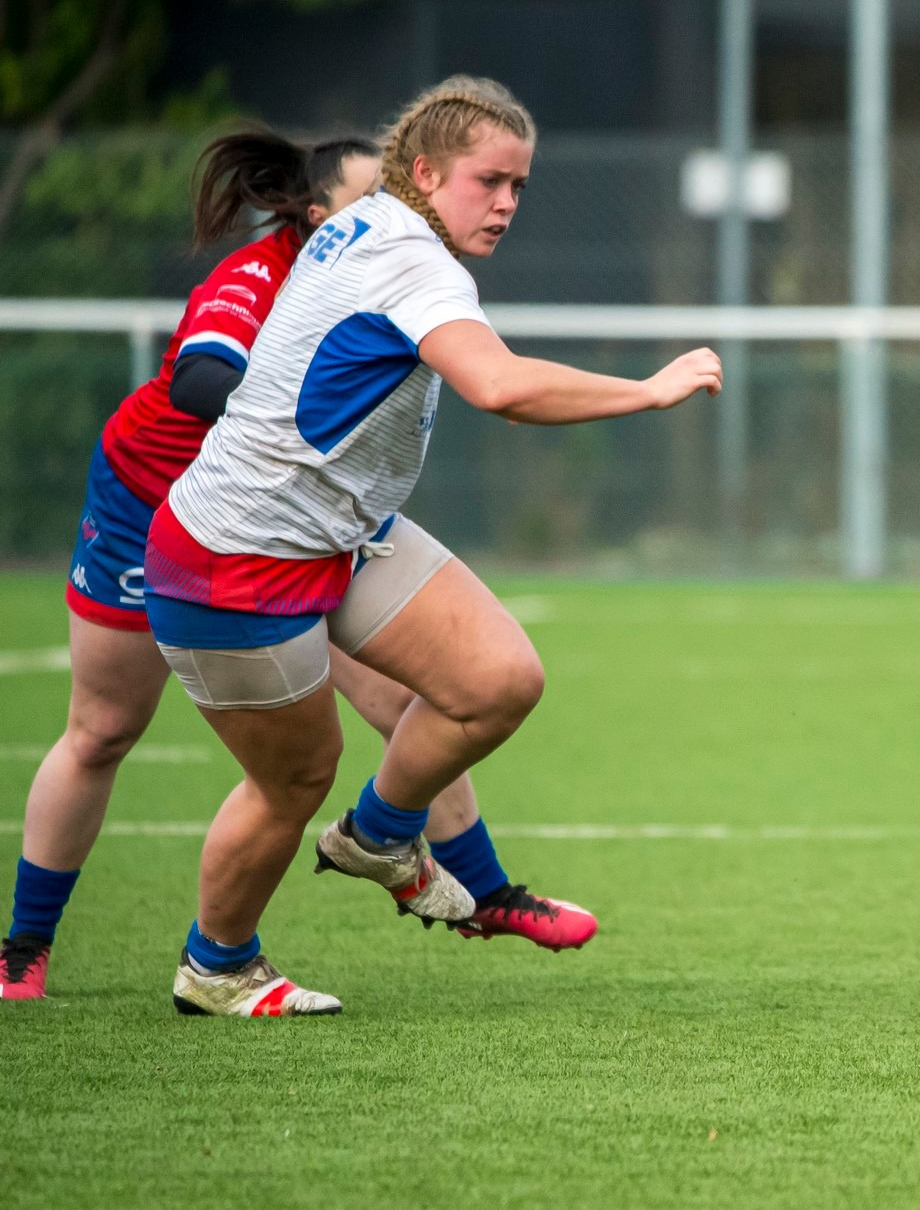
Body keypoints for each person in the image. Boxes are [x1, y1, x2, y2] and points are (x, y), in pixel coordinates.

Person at [143, 76, 722, 1017]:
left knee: (498, 679)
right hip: (236, 554)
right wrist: (649, 389)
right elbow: (499, 386)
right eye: (489, 180)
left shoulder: (372, 224)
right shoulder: (414, 260)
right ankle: (217, 967)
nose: (505, 203)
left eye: (519, 187)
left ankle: (379, 835)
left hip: (337, 530)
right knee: (292, 778)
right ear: (423, 171)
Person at [0, 129, 595, 1006]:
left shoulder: (384, 267)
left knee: (415, 697)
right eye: (374, 198)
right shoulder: (264, 275)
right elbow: (203, 379)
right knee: (103, 730)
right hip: (161, 512)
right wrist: (277, 420)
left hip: (300, 527)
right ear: (319, 217)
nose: (395, 214)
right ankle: (24, 950)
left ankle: (483, 891)